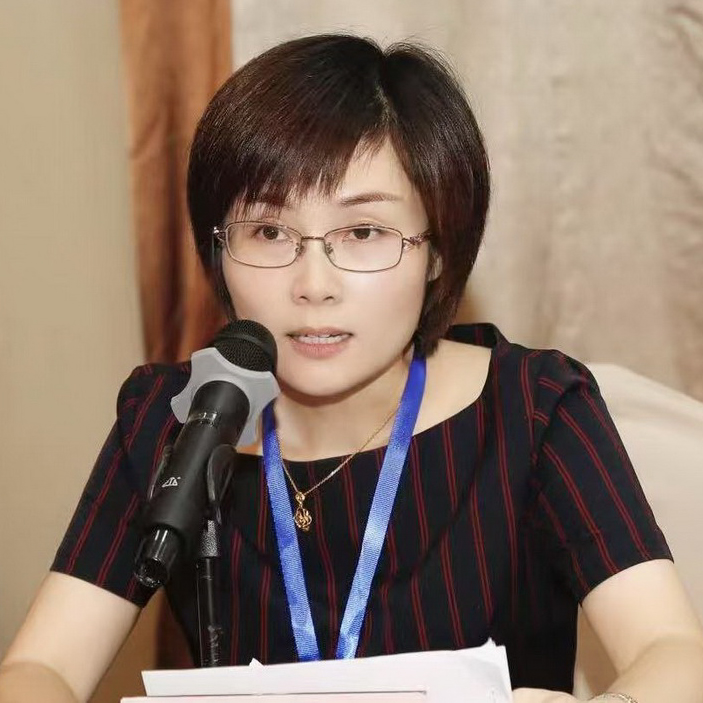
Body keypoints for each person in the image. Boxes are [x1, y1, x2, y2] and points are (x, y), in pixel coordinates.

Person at [1, 33, 702, 703]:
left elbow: (673, 650)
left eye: (363, 232)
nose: (313, 284)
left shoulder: (534, 408)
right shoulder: (176, 416)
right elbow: (40, 664)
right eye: (269, 231)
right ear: (218, 248)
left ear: (437, 250)